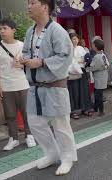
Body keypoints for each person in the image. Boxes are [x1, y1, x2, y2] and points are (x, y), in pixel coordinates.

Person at [21, 0, 77, 175]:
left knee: (60, 124)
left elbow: (66, 56)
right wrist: (22, 60)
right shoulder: (30, 31)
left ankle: (67, 157)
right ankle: (52, 153)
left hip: (54, 85)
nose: (28, 6)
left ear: (45, 7)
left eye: (32, 2)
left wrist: (43, 62)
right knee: (35, 122)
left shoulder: (57, 30)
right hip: (35, 87)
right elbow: (26, 52)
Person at [0, 19, 36, 151]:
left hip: (23, 84)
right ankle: (13, 138)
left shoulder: (23, 45)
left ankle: (29, 135)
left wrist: (22, 64)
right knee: (10, 114)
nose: (2, 31)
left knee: (27, 112)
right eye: (0, 29)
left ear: (13, 30)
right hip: (6, 86)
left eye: (5, 28)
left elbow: (31, 63)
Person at [68, 33, 93, 119]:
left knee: (84, 90)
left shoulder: (81, 48)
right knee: (73, 91)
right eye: (73, 39)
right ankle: (73, 111)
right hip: (72, 72)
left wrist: (86, 60)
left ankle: (86, 108)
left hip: (82, 71)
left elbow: (85, 59)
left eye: (76, 39)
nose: (75, 40)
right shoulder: (67, 49)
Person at [89, 39, 109, 117]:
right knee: (97, 93)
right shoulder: (103, 54)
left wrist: (86, 68)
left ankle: (101, 111)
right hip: (103, 77)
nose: (92, 46)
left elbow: (93, 67)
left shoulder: (97, 56)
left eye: (93, 45)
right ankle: (95, 108)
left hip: (99, 78)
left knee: (98, 95)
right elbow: (107, 65)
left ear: (96, 47)